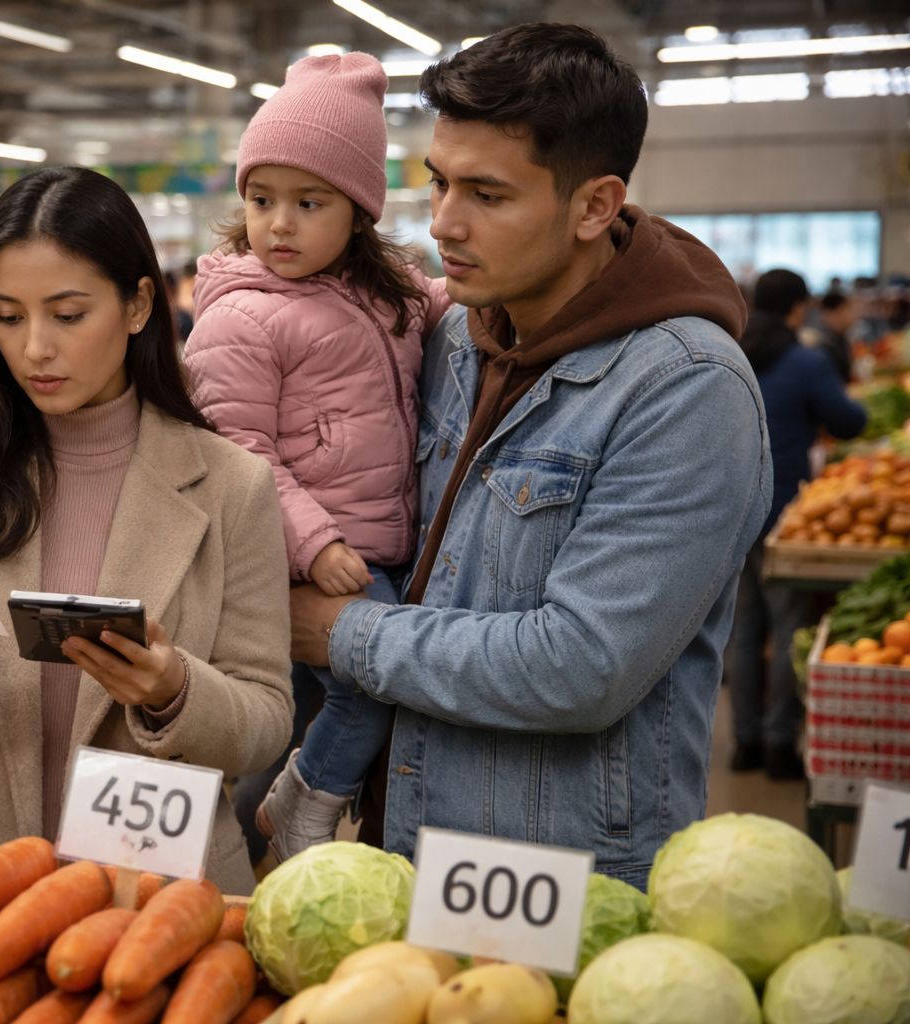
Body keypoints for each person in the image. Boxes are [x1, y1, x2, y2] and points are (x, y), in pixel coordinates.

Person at [288, 24, 770, 888]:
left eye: (488, 194)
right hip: (404, 848)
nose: (443, 222)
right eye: (438, 182)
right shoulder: (451, 341)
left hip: (565, 884)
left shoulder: (686, 391)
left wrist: (346, 636)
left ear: (593, 205)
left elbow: (582, 665)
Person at [0, 167, 293, 893]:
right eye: (8, 317)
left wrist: (174, 690)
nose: (35, 348)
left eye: (68, 315)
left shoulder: (232, 484)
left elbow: (266, 720)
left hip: (155, 897)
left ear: (139, 304)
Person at [184, 52, 450, 862]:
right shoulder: (245, 316)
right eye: (261, 200)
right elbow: (236, 449)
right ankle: (307, 806)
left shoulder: (386, 292)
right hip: (312, 551)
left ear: (358, 212)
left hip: (374, 539)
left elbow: (442, 307)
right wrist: (314, 542)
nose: (280, 225)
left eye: (310, 202)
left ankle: (234, 837)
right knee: (370, 688)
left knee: (287, 710)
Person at [729, 270, 865, 779]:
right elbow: (848, 421)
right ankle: (779, 745)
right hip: (786, 514)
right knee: (787, 626)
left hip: (731, 513)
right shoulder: (806, 361)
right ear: (796, 308)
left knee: (742, 631)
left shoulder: (730, 352)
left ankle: (744, 744)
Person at [807, 290, 858, 382]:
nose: (855, 314)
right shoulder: (824, 344)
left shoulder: (839, 336)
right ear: (837, 311)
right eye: (850, 308)